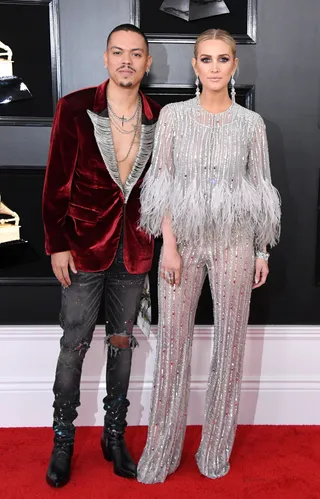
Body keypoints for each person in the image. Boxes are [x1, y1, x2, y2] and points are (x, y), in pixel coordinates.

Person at [137, 28, 281, 484]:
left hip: (236, 242)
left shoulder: (251, 125)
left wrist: (261, 249)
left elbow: (261, 190)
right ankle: (161, 453)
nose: (215, 67)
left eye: (222, 59)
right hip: (183, 243)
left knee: (230, 347)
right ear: (194, 66)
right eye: (206, 59)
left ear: (233, 66)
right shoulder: (174, 119)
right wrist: (171, 249)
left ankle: (214, 451)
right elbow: (159, 186)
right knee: (173, 349)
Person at [42, 24, 161, 487]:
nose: (127, 60)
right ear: (105, 58)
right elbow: (55, 182)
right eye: (118, 52)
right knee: (73, 347)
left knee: (122, 345)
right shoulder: (74, 107)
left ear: (147, 63)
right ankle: (63, 441)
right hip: (84, 250)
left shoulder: (159, 117)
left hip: (134, 251)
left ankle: (115, 436)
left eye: (136, 54)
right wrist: (57, 243)